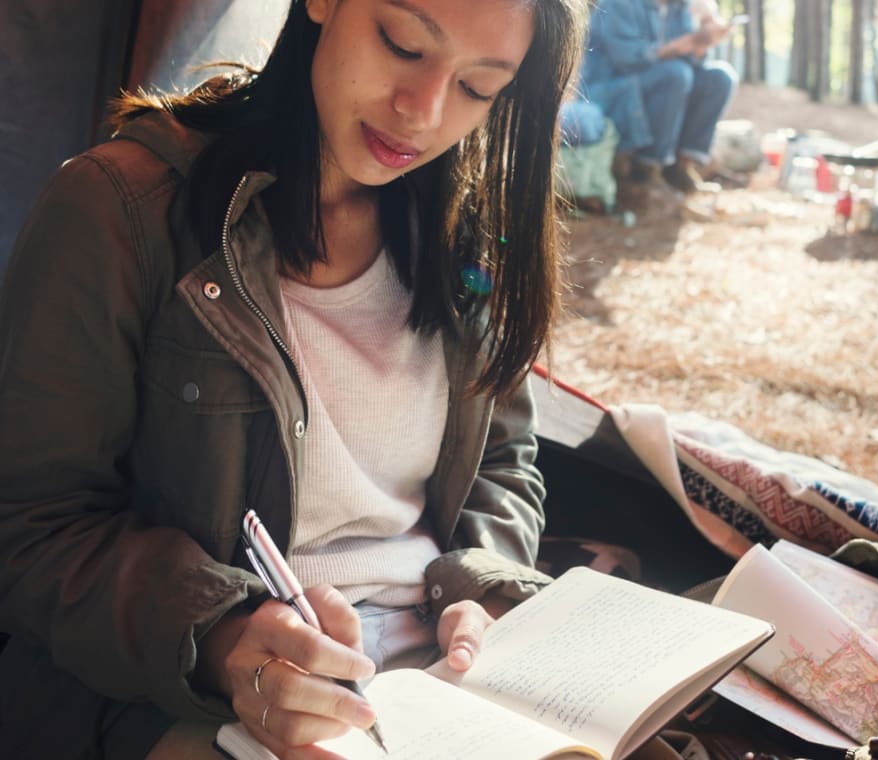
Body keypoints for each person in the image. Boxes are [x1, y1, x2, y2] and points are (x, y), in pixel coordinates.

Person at [0, 0, 586, 756]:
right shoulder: (121, 209)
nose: (423, 112)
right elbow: (32, 524)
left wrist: (485, 590)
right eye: (402, 43)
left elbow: (503, 463)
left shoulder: (464, 226)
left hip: (444, 689)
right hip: (194, 695)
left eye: (478, 88)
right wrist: (222, 638)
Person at [581, 0, 738, 195]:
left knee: (719, 77)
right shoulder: (619, 4)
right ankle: (648, 168)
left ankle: (678, 166)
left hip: (662, 81)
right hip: (613, 91)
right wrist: (682, 45)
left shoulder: (680, 7)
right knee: (675, 74)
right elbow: (628, 58)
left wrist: (702, 40)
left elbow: (690, 60)